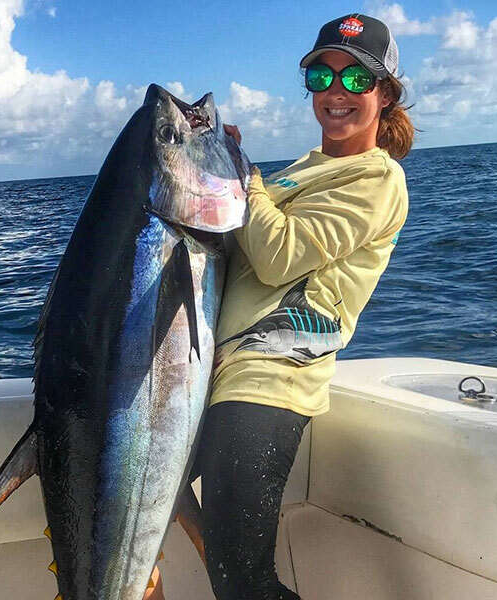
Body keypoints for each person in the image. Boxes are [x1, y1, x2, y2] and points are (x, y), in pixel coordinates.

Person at [146, 12, 413, 600]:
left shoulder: (379, 179)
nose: (335, 93)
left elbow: (278, 255)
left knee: (243, 583)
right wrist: (219, 173)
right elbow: (237, 259)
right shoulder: (301, 172)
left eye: (355, 80)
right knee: (147, 502)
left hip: (270, 382)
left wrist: (244, 177)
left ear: (386, 93)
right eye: (321, 79)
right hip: (214, 378)